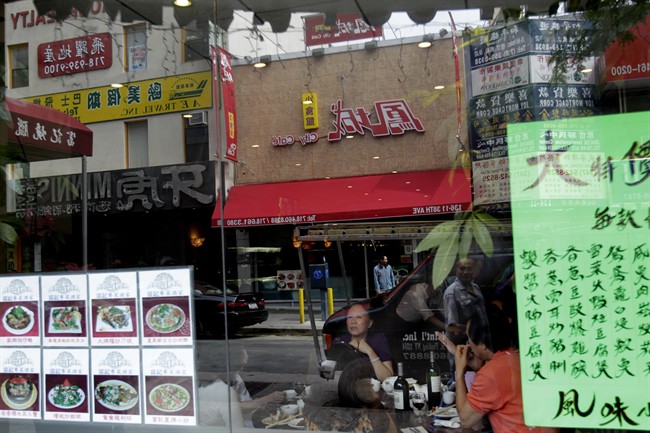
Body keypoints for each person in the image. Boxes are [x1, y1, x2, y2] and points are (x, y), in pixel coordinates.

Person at [453, 312, 559, 433]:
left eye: (469, 339)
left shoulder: (492, 372)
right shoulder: (524, 357)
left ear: (482, 343)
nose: (469, 345)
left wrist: (460, 371)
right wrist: (479, 370)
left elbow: (466, 420)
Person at [332, 303, 394, 381]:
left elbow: (387, 378)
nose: (353, 321)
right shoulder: (340, 341)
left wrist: (370, 352)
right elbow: (333, 377)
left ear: (369, 323)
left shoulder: (379, 340)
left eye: (359, 317)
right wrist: (349, 349)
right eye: (350, 317)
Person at [443, 258, 489, 346]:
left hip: (482, 345)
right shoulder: (451, 293)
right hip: (465, 349)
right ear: (456, 270)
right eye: (462, 268)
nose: (466, 272)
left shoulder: (476, 287)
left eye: (469, 268)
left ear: (474, 270)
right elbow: (452, 328)